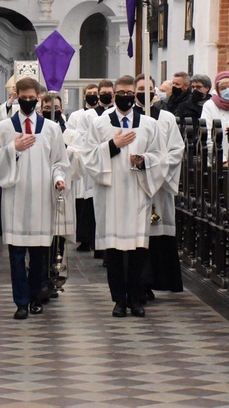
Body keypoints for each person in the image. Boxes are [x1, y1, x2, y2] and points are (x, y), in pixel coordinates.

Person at [82, 75, 165, 318]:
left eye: (130, 93)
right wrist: (112, 145)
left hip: (138, 192)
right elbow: (87, 157)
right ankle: (118, 300)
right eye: (122, 92)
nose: (126, 97)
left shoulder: (148, 124)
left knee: (138, 249)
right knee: (115, 251)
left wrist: (144, 161)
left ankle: (137, 298)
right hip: (111, 193)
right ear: (114, 93)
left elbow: (160, 156)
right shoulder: (100, 124)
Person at [0, 77, 69, 319]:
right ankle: (21, 302)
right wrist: (13, 148)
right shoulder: (3, 128)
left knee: (40, 255)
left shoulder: (51, 129)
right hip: (16, 197)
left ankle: (35, 297)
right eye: (24, 98)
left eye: (33, 98)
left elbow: (59, 162)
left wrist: (58, 179)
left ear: (39, 98)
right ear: (17, 96)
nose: (29, 102)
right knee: (16, 255)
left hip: (42, 198)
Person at [132, 74, 184, 298]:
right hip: (133, 185)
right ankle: (138, 284)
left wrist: (154, 166)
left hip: (159, 186)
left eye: (149, 88)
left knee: (157, 235)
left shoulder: (167, 118)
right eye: (141, 88)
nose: (145, 92)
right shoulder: (128, 118)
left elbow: (176, 150)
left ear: (155, 91)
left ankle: (157, 280)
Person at [40, 94, 82, 297]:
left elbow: (80, 161)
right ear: (41, 109)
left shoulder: (72, 134)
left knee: (58, 239)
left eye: (56, 107)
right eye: (48, 107)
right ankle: (40, 278)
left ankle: (55, 275)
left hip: (63, 190)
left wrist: (65, 152)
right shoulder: (39, 131)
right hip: (40, 191)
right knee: (41, 239)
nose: (52, 111)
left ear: (62, 110)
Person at [66, 83, 99, 252]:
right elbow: (72, 136)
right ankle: (84, 238)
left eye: (95, 93)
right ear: (84, 96)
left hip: (97, 158)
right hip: (81, 159)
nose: (93, 95)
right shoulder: (76, 115)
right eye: (90, 93)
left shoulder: (104, 115)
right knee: (82, 199)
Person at [201, 71, 229, 165]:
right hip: (218, 163)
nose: (228, 90)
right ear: (218, 90)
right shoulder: (209, 105)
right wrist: (222, 161)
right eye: (223, 88)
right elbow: (207, 134)